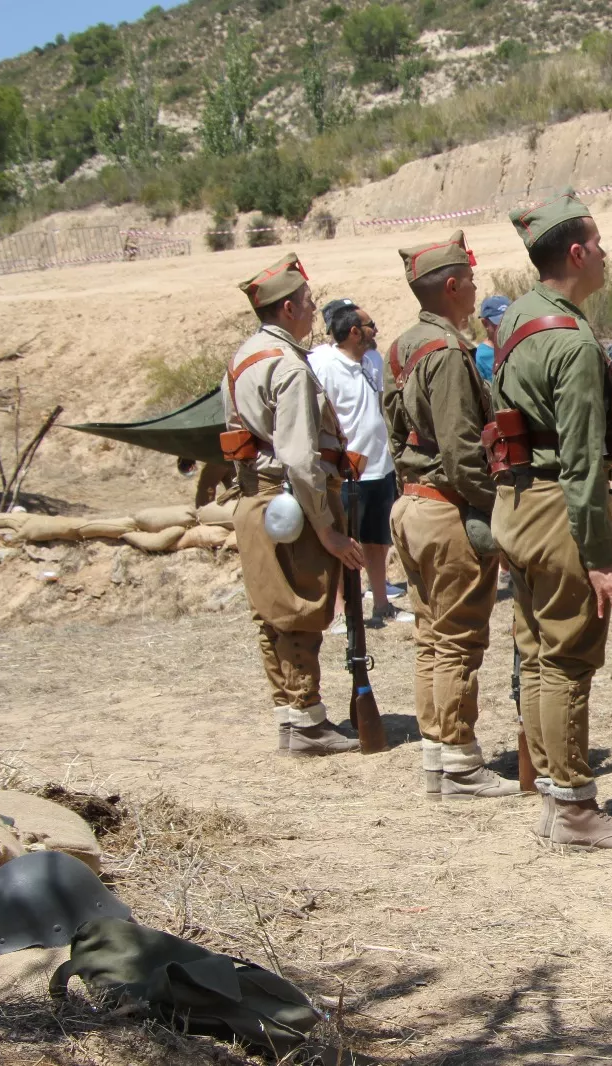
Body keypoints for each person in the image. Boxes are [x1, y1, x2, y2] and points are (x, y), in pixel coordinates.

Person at [491, 191, 612, 847]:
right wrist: (601, 559)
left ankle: (558, 798)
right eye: (600, 242)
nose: (607, 254)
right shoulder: (573, 342)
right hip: (561, 509)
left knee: (535, 652)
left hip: (518, 503)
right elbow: (584, 461)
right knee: (568, 659)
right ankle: (576, 808)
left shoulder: (517, 320)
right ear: (578, 252)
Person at [383, 231, 517, 801]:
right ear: (455, 286)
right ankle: (460, 762)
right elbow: (463, 453)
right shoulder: (448, 353)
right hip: (445, 509)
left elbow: (396, 434)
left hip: (411, 504)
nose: (477, 289)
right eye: (472, 279)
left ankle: (440, 753)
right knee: (459, 640)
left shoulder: (402, 347)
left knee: (432, 638)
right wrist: (502, 508)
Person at [222, 253, 364, 757]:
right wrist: (326, 528)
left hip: (255, 499)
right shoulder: (288, 367)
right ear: (286, 309)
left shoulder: (243, 358)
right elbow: (300, 459)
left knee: (272, 612)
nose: (312, 309)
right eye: (307, 301)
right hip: (291, 502)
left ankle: (291, 714)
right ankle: (307, 721)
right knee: (301, 607)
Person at [309, 298, 408, 628]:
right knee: (343, 541)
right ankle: (341, 610)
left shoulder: (374, 360)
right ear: (354, 332)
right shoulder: (325, 365)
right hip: (346, 469)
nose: (376, 331)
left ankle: (381, 603)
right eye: (370, 326)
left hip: (379, 464)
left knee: (376, 540)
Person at [475, 294, 509, 383]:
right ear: (485, 323)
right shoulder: (481, 357)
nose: (505, 326)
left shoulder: (519, 343)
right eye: (499, 322)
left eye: (509, 320)